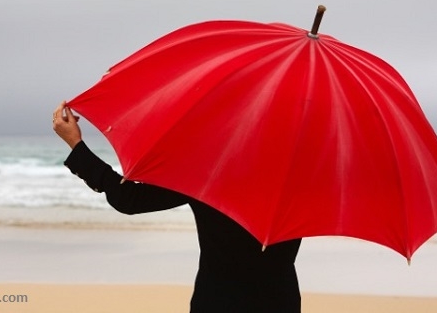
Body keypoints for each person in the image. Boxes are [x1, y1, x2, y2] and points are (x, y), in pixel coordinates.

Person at [53, 101, 302, 312]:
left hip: (217, 300)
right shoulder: (304, 171)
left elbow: (128, 198)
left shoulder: (211, 168)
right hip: (281, 301)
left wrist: (77, 145)